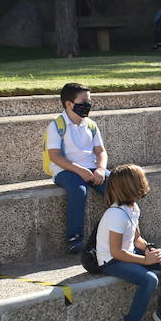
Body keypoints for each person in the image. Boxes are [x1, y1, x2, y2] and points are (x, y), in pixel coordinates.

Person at [96, 164, 161, 321]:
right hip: (111, 261)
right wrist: (144, 261)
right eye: (141, 180)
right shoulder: (116, 214)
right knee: (149, 279)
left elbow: (137, 239)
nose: (145, 183)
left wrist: (149, 249)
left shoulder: (132, 208)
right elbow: (116, 252)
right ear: (131, 186)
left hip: (128, 253)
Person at [46, 82, 108, 253]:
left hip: (92, 168)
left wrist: (101, 169)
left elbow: (101, 151)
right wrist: (79, 170)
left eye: (89, 101)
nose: (88, 105)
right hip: (65, 170)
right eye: (84, 101)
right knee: (78, 190)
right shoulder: (56, 125)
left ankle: (120, 232)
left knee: (118, 186)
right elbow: (55, 156)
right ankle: (74, 239)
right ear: (69, 104)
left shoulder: (91, 125)